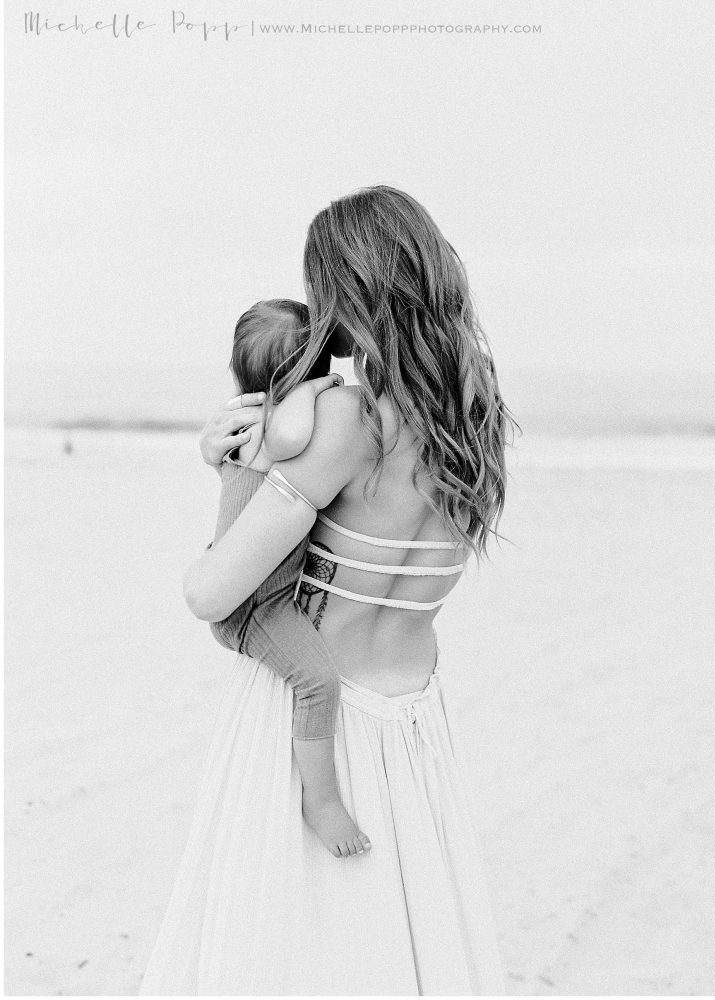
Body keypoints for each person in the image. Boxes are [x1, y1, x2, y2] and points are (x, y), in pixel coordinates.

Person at [139, 185, 515, 995]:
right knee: (400, 953)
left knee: (290, 959)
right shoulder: (474, 411)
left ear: (349, 291)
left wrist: (231, 466)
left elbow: (212, 593)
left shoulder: (345, 419)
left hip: (314, 722)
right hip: (412, 717)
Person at [208, 296, 372, 858]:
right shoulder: (278, 422)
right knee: (316, 683)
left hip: (254, 583)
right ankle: (321, 801)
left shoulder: (245, 418)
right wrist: (317, 389)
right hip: (255, 606)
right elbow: (288, 440)